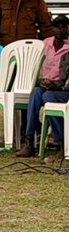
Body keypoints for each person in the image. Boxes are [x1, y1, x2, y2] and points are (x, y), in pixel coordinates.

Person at [16, 14, 69, 157]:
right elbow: (38, 65)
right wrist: (42, 81)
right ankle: (30, 141)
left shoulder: (68, 48)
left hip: (62, 89)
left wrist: (55, 85)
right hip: (47, 84)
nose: (60, 31)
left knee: (48, 96)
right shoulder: (46, 44)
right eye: (57, 27)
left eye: (63, 27)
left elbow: (64, 79)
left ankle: (61, 141)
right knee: (36, 94)